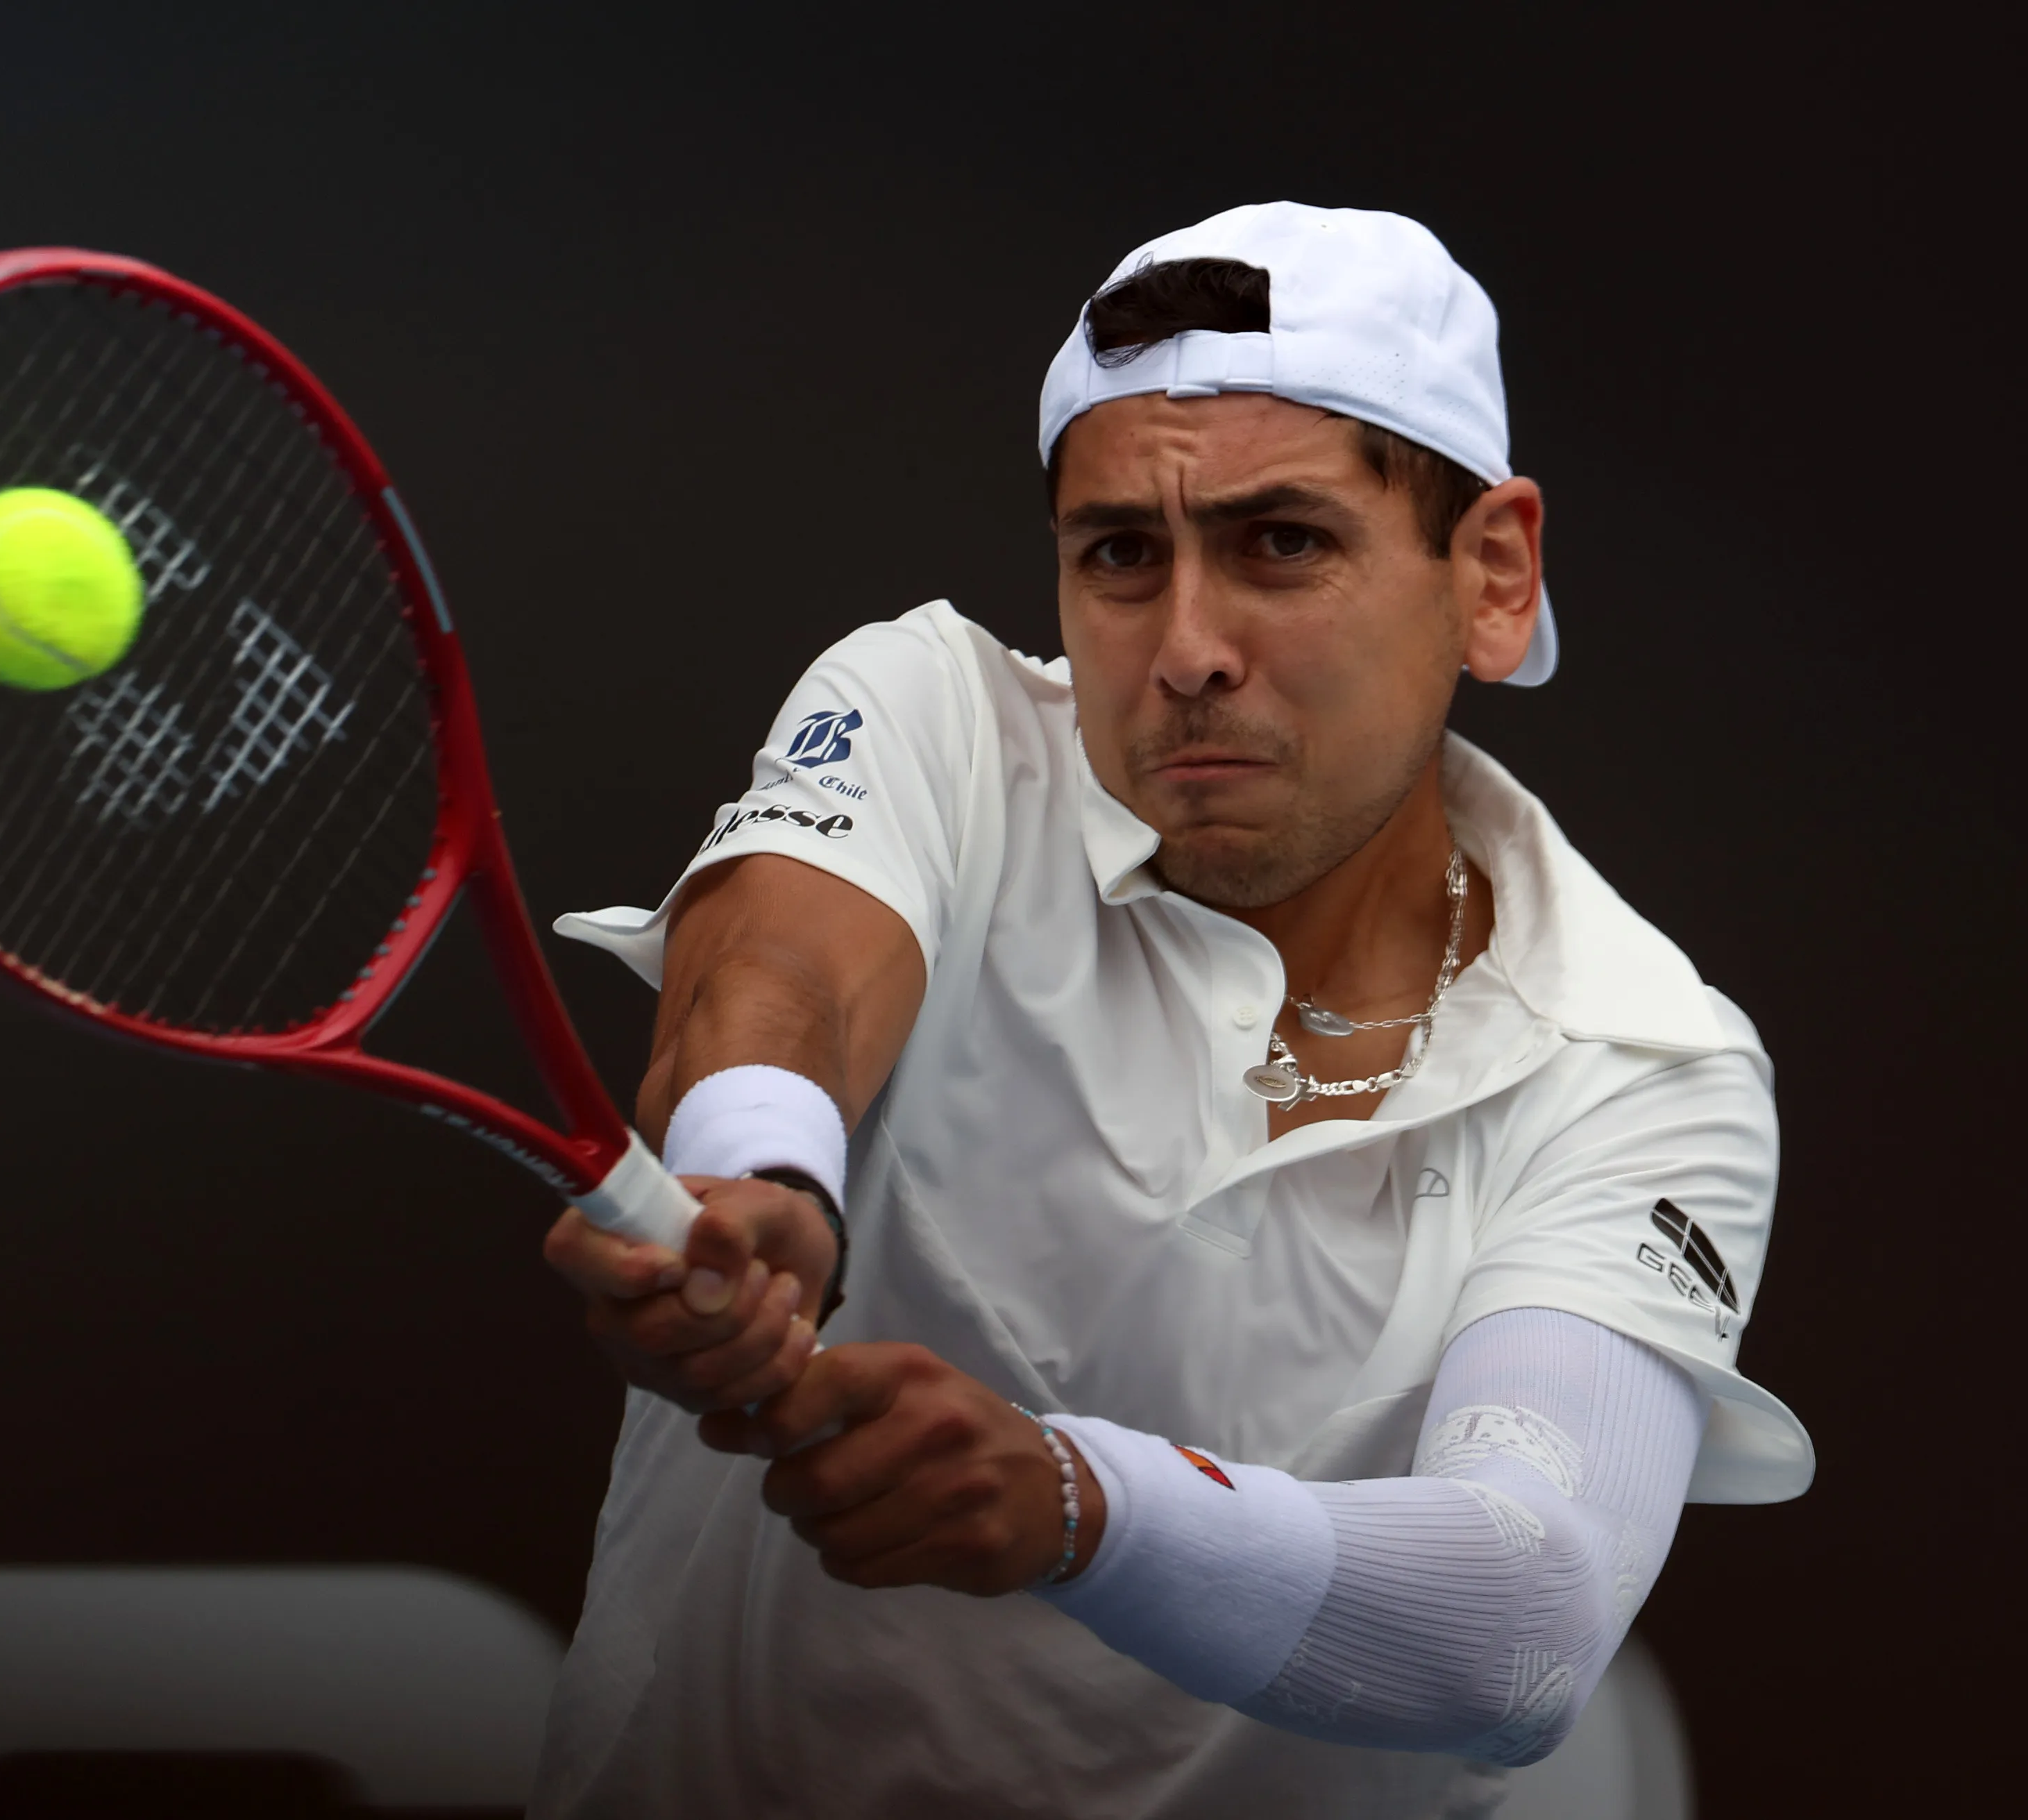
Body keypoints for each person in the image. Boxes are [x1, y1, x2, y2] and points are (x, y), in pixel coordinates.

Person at [533, 202, 1811, 1819]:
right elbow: (774, 983)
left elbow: (1521, 1624)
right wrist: (760, 1181)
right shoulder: (935, 717)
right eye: (1121, 553)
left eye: (1284, 542)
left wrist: (1079, 1505)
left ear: (1491, 576)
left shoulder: (1644, 1061)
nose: (1188, 649)